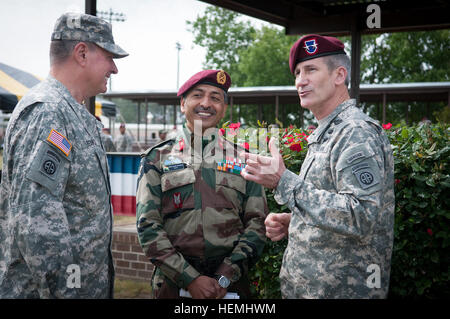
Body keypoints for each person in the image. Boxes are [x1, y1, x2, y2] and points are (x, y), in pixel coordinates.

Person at [241, 34, 395, 299]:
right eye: (298, 72)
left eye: (311, 69)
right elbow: (335, 207)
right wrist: (296, 221)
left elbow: (361, 216)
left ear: (339, 75)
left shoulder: (355, 131)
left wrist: (283, 181)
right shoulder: (330, 131)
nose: (301, 80)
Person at [0, 12, 128, 298]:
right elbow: (36, 223)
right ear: (81, 53)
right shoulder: (48, 111)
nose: (114, 68)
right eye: (109, 56)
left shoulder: (70, 112)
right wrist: (68, 292)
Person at [136, 69, 268, 299]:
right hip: (173, 285)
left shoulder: (243, 158)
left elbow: (258, 224)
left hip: (231, 285)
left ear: (224, 108)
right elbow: (148, 226)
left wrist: (225, 276)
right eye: (198, 95)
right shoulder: (157, 158)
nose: (206, 103)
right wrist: (190, 279)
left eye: (216, 98)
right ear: (182, 103)